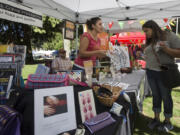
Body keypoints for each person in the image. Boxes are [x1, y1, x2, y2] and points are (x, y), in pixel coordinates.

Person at [142, 20, 180, 132]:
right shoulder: (150, 40)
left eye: (147, 31)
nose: (146, 34)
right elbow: (151, 55)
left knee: (166, 97)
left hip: (164, 73)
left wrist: (166, 49)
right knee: (156, 96)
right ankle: (156, 119)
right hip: (151, 72)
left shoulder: (169, 35)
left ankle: (167, 121)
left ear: (153, 28)